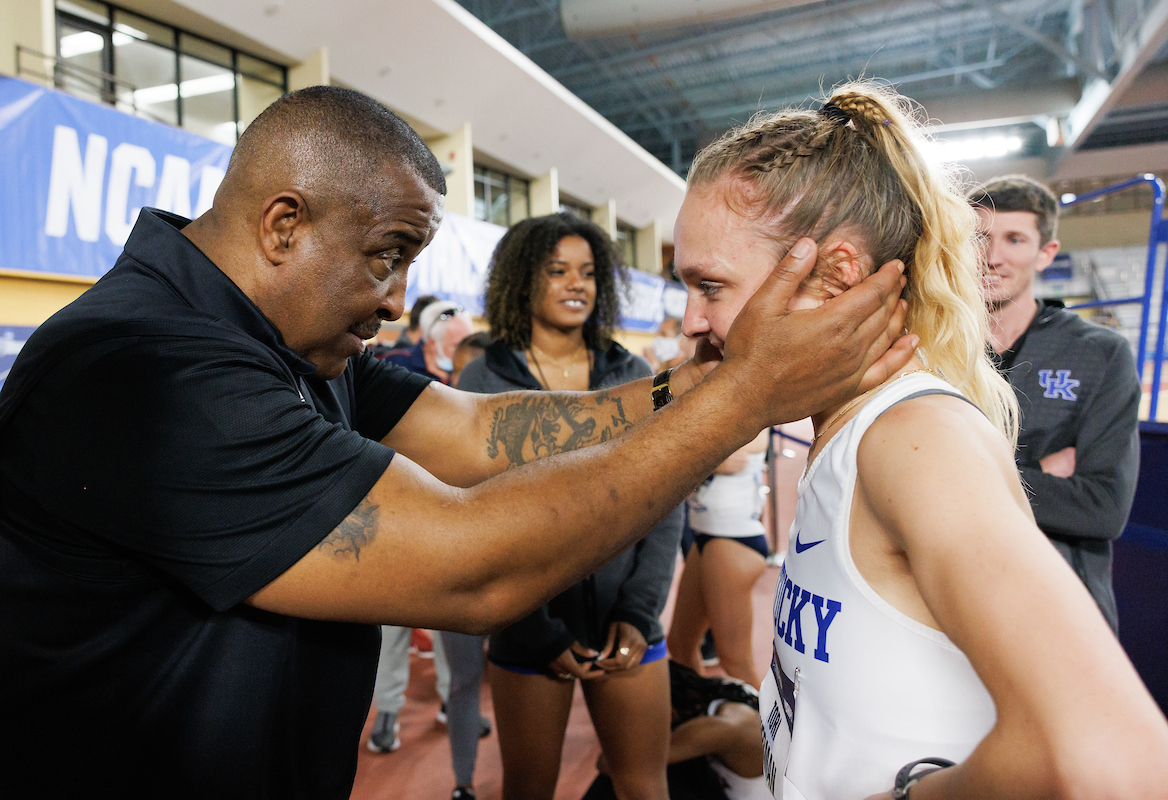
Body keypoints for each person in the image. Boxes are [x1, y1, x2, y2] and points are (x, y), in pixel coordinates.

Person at [0, 86, 917, 798]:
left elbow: (481, 431)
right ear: (285, 225)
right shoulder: (146, 369)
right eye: (385, 255)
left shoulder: (285, 345)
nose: (398, 298)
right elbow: (474, 569)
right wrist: (749, 394)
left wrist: (706, 380)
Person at [671, 83, 1168, 799]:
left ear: (835, 276)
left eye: (709, 285)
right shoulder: (846, 432)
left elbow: (1124, 765)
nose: (689, 323)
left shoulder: (915, 440)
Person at [456, 212, 683, 800]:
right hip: (528, 633)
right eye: (557, 271)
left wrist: (638, 611)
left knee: (643, 786)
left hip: (625, 628)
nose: (575, 284)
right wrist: (538, 632)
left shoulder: (633, 374)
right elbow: (477, 517)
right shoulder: (483, 380)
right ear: (522, 281)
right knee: (528, 790)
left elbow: (662, 502)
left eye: (587, 272)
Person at [970, 175, 1140, 632]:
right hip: (954, 598)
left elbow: (1103, 506)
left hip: (1058, 606)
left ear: (1045, 252)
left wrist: (964, 480)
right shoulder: (936, 348)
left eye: (1014, 239)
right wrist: (1041, 472)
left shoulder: (1100, 353)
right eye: (980, 238)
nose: (992, 257)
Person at [667, 429, 770, 685]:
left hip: (732, 539)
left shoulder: (749, 401)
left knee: (735, 662)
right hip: (705, 534)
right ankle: (701, 718)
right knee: (679, 647)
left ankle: (763, 725)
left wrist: (690, 458)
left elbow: (734, 455)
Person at [584, 661, 770, 800]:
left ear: (669, 710)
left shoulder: (715, 729)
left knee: (633, 775)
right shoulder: (730, 691)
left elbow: (611, 764)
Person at [384, 300, 474, 383]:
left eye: (468, 345)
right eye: (456, 345)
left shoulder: (471, 374)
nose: (464, 351)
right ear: (432, 343)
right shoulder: (396, 364)